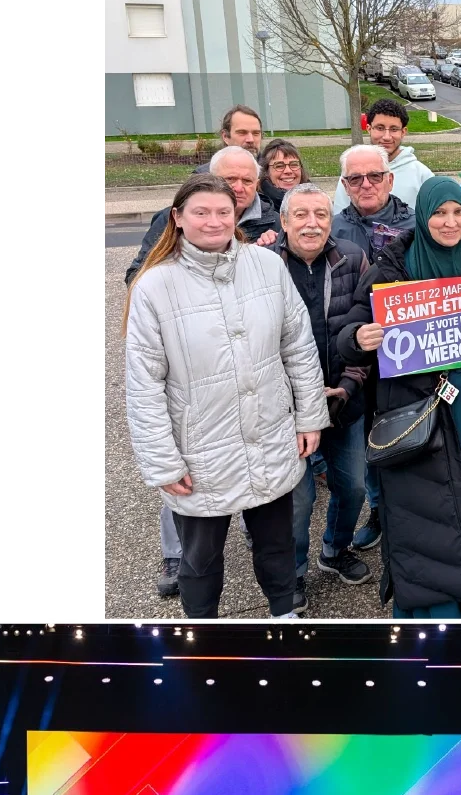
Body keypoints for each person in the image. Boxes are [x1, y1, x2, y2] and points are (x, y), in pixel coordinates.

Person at [125, 175, 326, 618]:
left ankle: (283, 612)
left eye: (223, 211)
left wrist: (310, 415)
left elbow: (297, 346)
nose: (213, 221)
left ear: (236, 215)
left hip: (269, 431)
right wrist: (162, 461)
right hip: (201, 448)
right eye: (201, 212)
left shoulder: (266, 266)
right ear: (178, 218)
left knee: (276, 543)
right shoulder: (154, 287)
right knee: (200, 556)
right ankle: (203, 631)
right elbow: (144, 384)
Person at [335, 176, 461, 617]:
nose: (450, 222)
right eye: (440, 213)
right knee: (428, 509)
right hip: (417, 410)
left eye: (458, 211)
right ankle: (434, 609)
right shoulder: (392, 266)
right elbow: (346, 334)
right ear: (423, 216)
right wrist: (359, 337)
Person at [274, 182, 373, 611]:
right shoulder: (263, 265)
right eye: (301, 215)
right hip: (286, 409)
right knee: (299, 500)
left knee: (351, 486)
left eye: (321, 214)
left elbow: (367, 330)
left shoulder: (352, 258)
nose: (312, 224)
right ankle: (293, 573)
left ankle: (335, 550)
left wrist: (349, 384)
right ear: (283, 222)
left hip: (342, 399)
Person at [126, 144, 281, 288]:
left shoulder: (274, 222)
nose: (239, 188)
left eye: (247, 181)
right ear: (210, 177)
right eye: (230, 179)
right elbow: (136, 276)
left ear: (257, 184)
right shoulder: (173, 218)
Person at [332, 98, 435, 213]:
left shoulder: (422, 175)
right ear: (369, 129)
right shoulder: (352, 171)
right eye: (380, 128)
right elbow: (339, 217)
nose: (386, 136)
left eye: (394, 129)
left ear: (403, 132)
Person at [331, 143, 415, 262]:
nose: (366, 185)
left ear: (390, 181)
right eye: (355, 178)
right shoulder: (331, 231)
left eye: (375, 176)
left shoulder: (416, 226)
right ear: (345, 186)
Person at [258, 139, 311, 209]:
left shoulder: (317, 199)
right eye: (279, 166)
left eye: (294, 164)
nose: (288, 171)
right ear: (266, 171)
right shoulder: (259, 208)